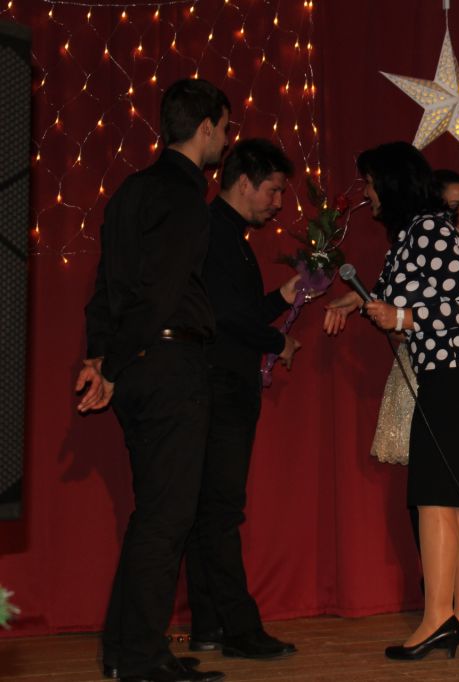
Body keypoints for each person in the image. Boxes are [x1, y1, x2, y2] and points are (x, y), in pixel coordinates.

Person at [324, 142, 459, 660]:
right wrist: (354, 300)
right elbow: (391, 291)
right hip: (456, 372)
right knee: (453, 496)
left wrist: (402, 318)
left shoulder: (429, 231)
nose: (367, 194)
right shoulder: (411, 235)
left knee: (433, 495)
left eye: (371, 183)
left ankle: (437, 618)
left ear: (393, 182)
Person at [75, 78, 229, 682]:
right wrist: (109, 365)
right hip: (169, 365)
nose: (225, 141)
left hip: (140, 367)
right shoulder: (182, 196)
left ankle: (126, 652)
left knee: (153, 516)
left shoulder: (130, 191)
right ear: (206, 127)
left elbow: (106, 288)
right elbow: (159, 294)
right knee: (167, 520)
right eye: (224, 129)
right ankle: (141, 659)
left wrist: (100, 359)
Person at [183, 138, 302, 660]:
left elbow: (238, 310)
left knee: (207, 509)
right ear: (245, 182)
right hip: (220, 387)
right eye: (273, 190)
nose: (278, 203)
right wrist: (277, 340)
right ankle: (238, 628)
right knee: (220, 511)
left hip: (221, 385)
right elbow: (224, 316)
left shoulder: (228, 235)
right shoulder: (215, 233)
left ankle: (209, 624)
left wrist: (282, 298)